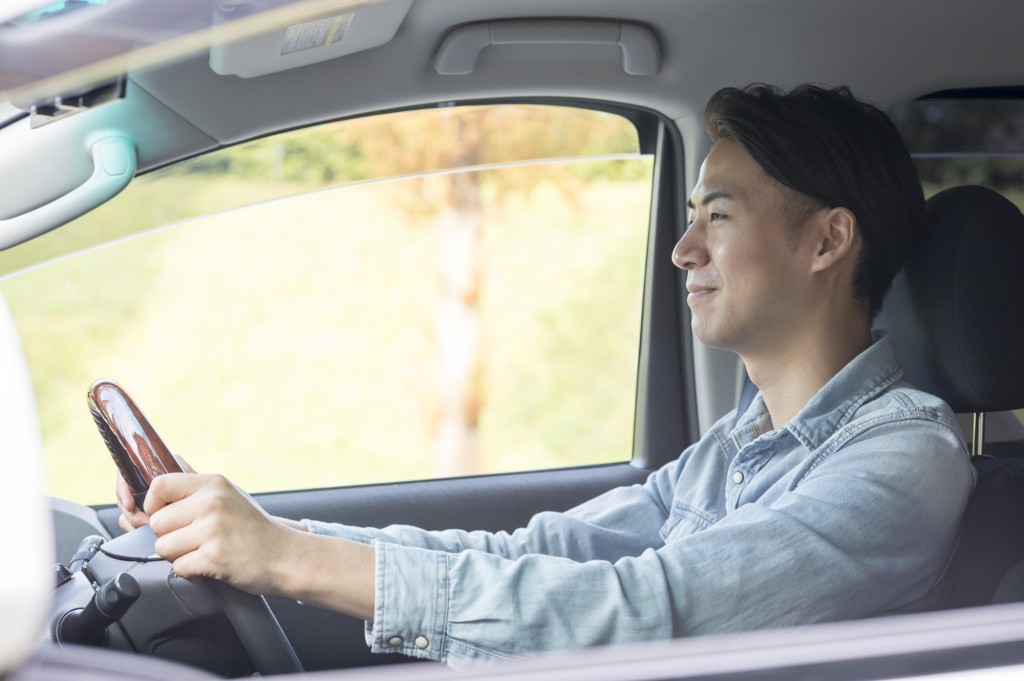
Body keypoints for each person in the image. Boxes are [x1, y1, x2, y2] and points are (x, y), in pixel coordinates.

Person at [117, 84, 975, 666]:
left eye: (717, 216)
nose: (683, 251)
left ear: (827, 241)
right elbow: (539, 551)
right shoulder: (742, 445)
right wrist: (265, 534)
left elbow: (648, 611)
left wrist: (289, 560)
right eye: (689, 219)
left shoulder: (905, 463)